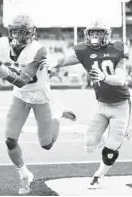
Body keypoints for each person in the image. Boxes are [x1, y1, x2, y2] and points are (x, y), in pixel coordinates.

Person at [0, 15, 76, 194]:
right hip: (20, 97)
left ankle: (57, 113)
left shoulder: (38, 50)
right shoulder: (1, 44)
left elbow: (21, 80)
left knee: (47, 144)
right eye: (15, 31)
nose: (18, 36)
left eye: (22, 32)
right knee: (10, 140)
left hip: (40, 97)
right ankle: (24, 174)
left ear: (31, 33)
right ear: (10, 32)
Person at [53, 20, 131, 188]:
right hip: (102, 105)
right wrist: (50, 65)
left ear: (106, 35)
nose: (95, 36)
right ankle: (109, 136)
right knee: (89, 143)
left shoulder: (117, 49)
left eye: (99, 33)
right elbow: (63, 61)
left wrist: (104, 77)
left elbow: (121, 79)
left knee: (110, 151)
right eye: (92, 33)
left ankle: (99, 175)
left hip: (121, 106)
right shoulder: (83, 51)